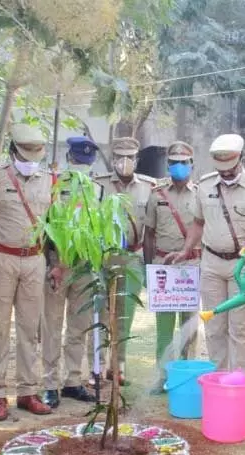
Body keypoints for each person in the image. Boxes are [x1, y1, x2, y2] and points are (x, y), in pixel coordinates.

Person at [166, 134, 245, 373]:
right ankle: (217, 379)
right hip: (212, 263)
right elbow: (198, 222)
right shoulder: (205, 186)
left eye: (230, 168)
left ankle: (238, 381)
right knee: (214, 326)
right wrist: (186, 250)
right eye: (221, 168)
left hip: (244, 267)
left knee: (240, 327)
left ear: (240, 159)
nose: (225, 173)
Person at [0, 124, 53, 421]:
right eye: (26, 152)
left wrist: (56, 263)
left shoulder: (50, 181)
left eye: (37, 153)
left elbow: (54, 225)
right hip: (1, 258)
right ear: (13, 151)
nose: (31, 158)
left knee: (30, 328)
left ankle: (28, 391)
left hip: (35, 259)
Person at [40, 136, 100, 407]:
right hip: (57, 265)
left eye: (86, 162)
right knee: (52, 325)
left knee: (79, 326)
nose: (81, 167)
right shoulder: (53, 186)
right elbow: (44, 227)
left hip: (85, 265)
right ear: (68, 159)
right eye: (77, 161)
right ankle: (50, 384)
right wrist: (53, 263)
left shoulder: (97, 190)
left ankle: (73, 381)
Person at [93, 137, 156, 384]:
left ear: (137, 159)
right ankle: (96, 367)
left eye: (130, 156)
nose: (125, 162)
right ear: (112, 158)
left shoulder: (149, 187)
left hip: (132, 256)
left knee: (124, 313)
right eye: (119, 156)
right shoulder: (98, 185)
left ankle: (118, 366)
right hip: (103, 256)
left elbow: (151, 228)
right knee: (99, 312)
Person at [144, 141, 200, 391]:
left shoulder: (200, 194)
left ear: (192, 165)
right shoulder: (156, 194)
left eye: (184, 162)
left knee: (189, 326)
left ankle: (186, 375)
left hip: (191, 266)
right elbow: (149, 233)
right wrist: (148, 269)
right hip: (163, 266)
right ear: (168, 165)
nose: (179, 167)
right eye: (174, 163)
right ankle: (163, 376)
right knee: (164, 327)